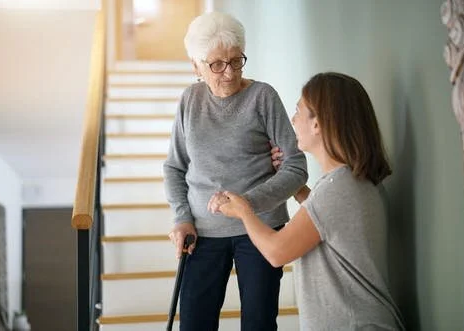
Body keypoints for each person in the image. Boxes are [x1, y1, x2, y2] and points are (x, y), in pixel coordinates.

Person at [211, 72, 406, 330]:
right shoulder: (351, 182)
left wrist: (244, 212)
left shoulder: (337, 189)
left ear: (318, 124)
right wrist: (297, 188)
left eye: (298, 111)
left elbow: (276, 251)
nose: (293, 120)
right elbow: (325, 222)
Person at [163, 11, 308, 331]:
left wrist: (246, 205)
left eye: (236, 61)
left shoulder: (263, 97)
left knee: (259, 323)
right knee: (194, 324)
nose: (228, 73)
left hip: (260, 228)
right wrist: (181, 217)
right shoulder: (190, 100)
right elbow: (175, 167)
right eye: (216, 64)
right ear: (196, 67)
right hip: (201, 233)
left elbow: (296, 167)